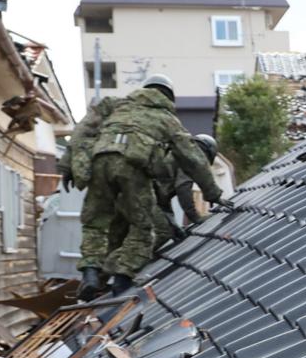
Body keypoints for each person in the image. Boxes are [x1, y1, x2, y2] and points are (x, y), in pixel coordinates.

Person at [84, 77, 222, 294]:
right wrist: (201, 214)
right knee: (155, 232)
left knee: (115, 235)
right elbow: (184, 190)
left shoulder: (123, 109)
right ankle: (121, 276)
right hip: (136, 187)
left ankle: (96, 279)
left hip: (114, 183)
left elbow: (163, 200)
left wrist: (175, 224)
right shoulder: (177, 137)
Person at [65, 93, 121, 300]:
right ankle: (115, 279)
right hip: (125, 179)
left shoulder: (89, 127)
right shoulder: (125, 122)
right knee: (125, 229)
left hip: (97, 179)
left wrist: (66, 168)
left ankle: (91, 275)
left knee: (94, 227)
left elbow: (75, 142)